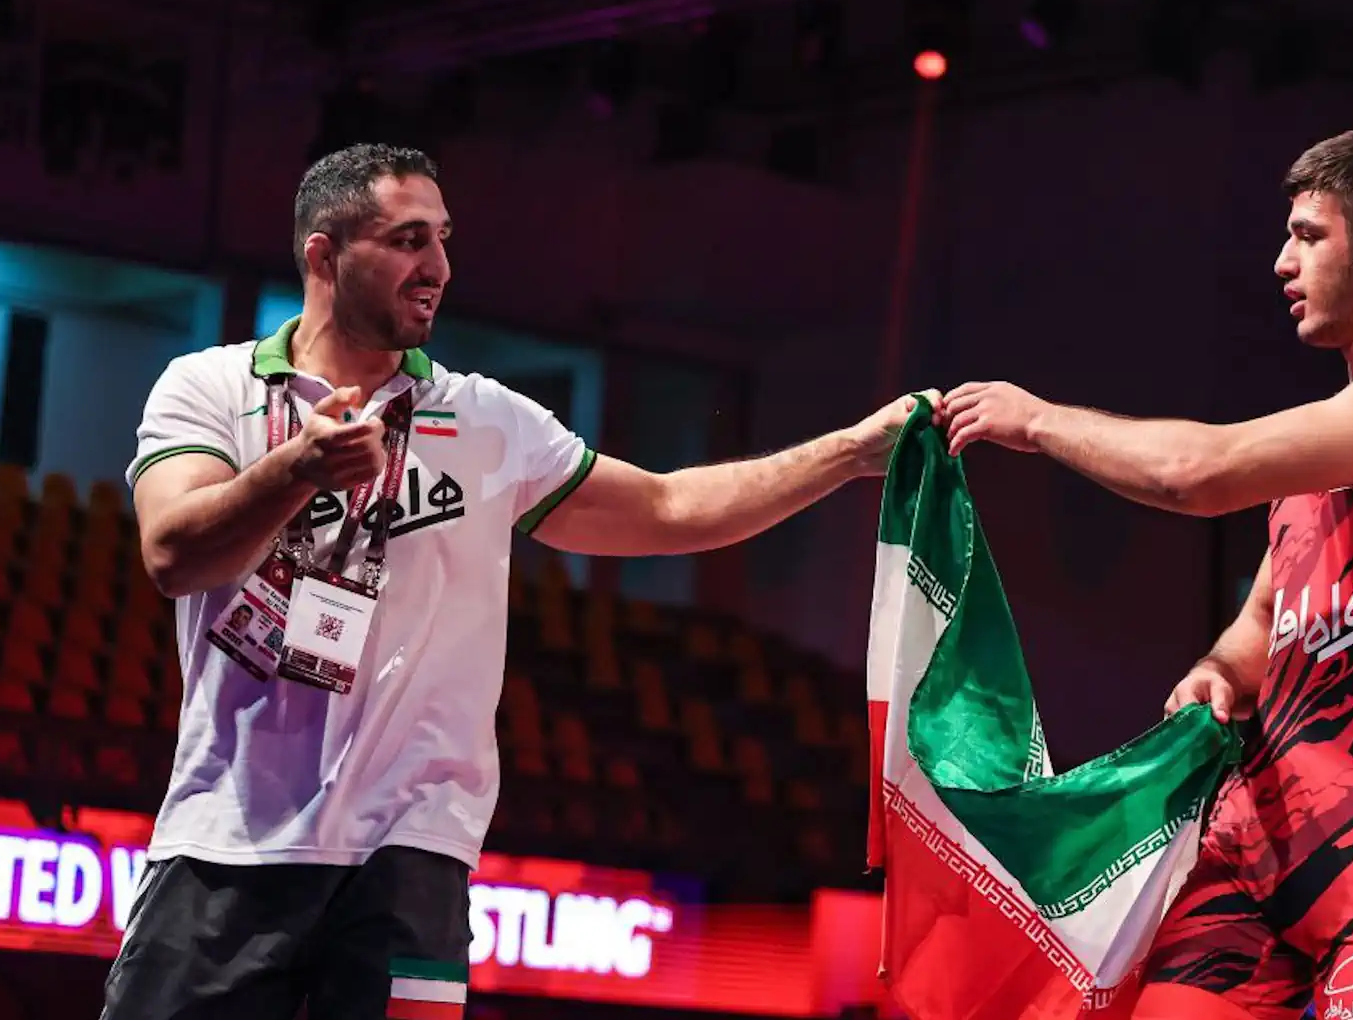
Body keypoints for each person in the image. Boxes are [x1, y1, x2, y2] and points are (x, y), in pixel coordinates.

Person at [103, 142, 929, 1019]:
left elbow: (672, 508)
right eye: (409, 240)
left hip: (411, 858)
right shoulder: (209, 387)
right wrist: (298, 467)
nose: (440, 268)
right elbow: (172, 553)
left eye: (445, 240)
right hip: (225, 846)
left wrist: (847, 455)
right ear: (324, 253)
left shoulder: (488, 420)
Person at [937, 127, 1353, 1020]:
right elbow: (1258, 630)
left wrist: (1039, 421)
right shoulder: (1324, 458)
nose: (1282, 263)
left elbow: (1199, 474)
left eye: (1307, 235)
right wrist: (1216, 673)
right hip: (1252, 850)